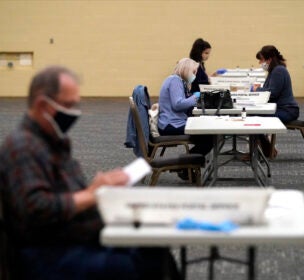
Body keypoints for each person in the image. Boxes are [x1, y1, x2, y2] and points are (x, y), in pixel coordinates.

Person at [0, 66, 179, 280]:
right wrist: (93, 193)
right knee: (130, 265)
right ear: (41, 105)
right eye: (68, 105)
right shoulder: (22, 146)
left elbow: (68, 195)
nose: (74, 112)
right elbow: (37, 209)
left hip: (73, 237)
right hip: (47, 251)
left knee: (154, 248)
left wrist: (101, 187)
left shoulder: (53, 141)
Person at [158, 58, 213, 179]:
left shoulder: (177, 80)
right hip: (171, 124)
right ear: (186, 70)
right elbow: (178, 104)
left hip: (172, 122)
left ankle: (189, 165)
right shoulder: (175, 81)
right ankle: (185, 165)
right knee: (208, 138)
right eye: (193, 72)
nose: (194, 75)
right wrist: (195, 98)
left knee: (206, 136)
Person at [252, 45, 299, 123]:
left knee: (254, 116)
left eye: (261, 60)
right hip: (282, 108)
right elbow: (271, 90)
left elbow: (273, 93)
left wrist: (257, 89)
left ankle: (260, 135)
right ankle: (261, 135)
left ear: (269, 59)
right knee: (253, 114)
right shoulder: (274, 70)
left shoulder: (278, 70)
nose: (259, 62)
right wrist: (260, 89)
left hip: (287, 111)